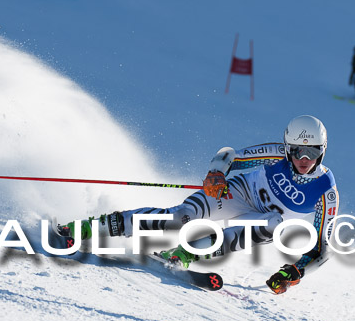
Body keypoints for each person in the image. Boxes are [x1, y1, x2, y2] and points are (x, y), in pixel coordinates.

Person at [59, 115, 339, 295]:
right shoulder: (275, 154)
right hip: (239, 193)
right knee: (180, 217)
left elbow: (322, 249)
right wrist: (216, 174)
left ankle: (183, 255)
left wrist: (296, 271)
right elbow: (229, 154)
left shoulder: (326, 191)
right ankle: (89, 228)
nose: (305, 158)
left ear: (322, 151)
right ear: (287, 148)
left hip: (263, 222)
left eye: (313, 151)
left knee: (269, 224)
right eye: (298, 151)